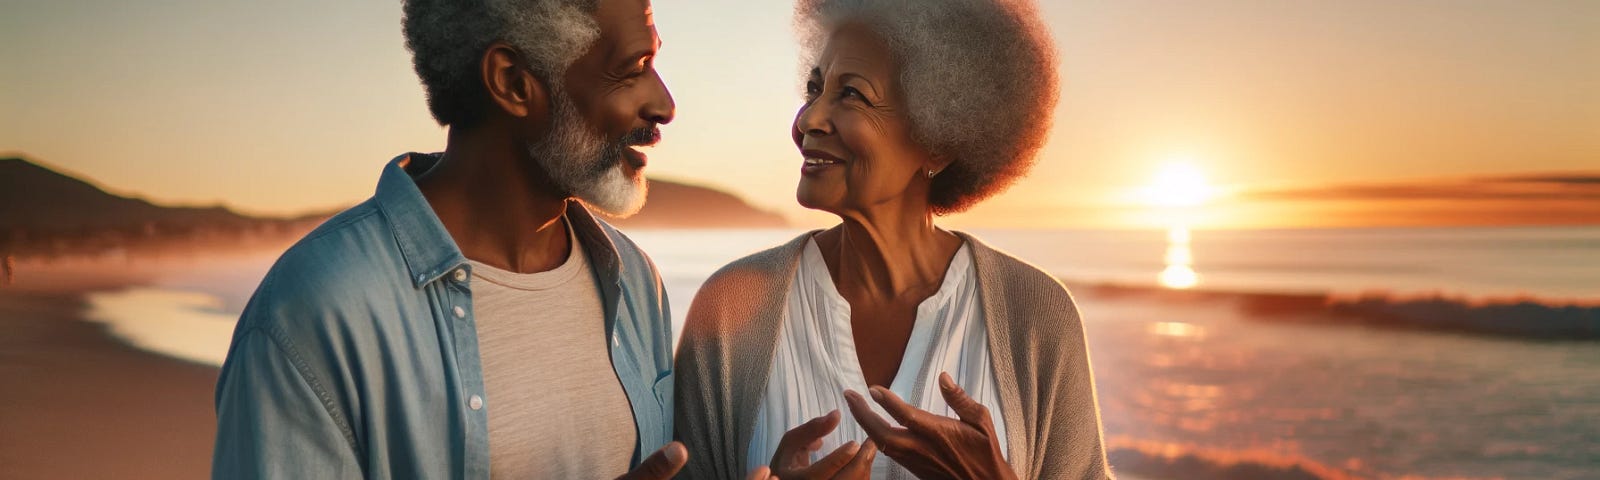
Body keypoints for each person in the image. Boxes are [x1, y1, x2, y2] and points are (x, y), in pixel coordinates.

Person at [212, 1, 772, 479]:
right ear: (512, 83)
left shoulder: (632, 280)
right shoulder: (314, 315)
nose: (664, 104)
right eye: (633, 69)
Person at [674, 0, 1114, 478]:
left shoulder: (1036, 315)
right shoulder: (730, 308)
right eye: (814, 88)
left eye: (852, 95)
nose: (808, 120)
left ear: (939, 138)